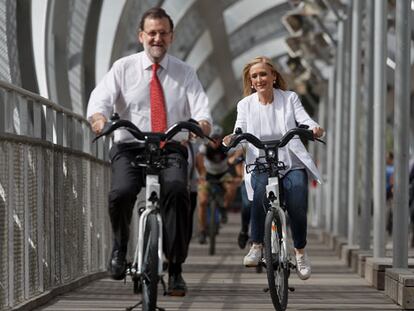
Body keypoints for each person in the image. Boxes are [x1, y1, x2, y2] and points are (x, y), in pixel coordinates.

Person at [86, 7, 211, 296]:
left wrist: (201, 123)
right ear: (141, 35)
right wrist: (99, 120)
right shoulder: (123, 68)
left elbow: (201, 107)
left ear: (171, 37)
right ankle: (120, 247)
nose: (157, 38)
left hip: (171, 146)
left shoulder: (185, 72)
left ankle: (176, 267)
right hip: (130, 146)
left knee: (179, 191)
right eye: (151, 33)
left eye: (163, 33)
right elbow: (100, 101)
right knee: (121, 193)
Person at [223, 56, 324, 280]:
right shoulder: (245, 105)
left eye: (263, 74)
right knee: (259, 195)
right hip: (260, 163)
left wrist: (314, 128)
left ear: (274, 76)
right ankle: (257, 244)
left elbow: (304, 120)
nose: (259, 79)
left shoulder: (289, 99)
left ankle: (300, 251)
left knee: (298, 200)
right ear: (250, 81)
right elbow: (240, 130)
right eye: (254, 76)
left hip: (290, 162)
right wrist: (232, 138)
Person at [195, 125, 239, 243]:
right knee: (203, 201)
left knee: (232, 188)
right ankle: (202, 230)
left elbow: (238, 152)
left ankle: (224, 207)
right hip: (207, 174)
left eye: (218, 138)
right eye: (213, 138)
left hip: (223, 173)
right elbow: (198, 159)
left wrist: (234, 164)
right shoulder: (204, 148)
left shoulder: (226, 148)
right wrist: (201, 175)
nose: (216, 141)